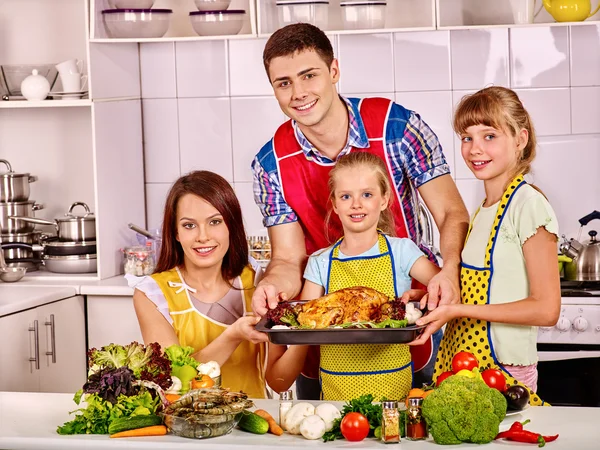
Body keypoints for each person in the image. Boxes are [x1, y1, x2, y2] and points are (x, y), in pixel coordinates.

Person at [251, 23, 469, 398]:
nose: (298, 93)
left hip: (412, 327)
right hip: (326, 341)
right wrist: (272, 285)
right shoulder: (270, 164)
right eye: (283, 82)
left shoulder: (398, 127)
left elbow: (451, 212)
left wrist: (448, 271)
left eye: (309, 75)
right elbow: (289, 258)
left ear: (334, 71)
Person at [411, 87, 561, 405]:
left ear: (520, 139)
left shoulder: (528, 205)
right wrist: (433, 300)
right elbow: (488, 289)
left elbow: (547, 310)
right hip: (467, 365)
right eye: (467, 137)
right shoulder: (483, 209)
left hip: (505, 369)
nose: (475, 149)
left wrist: (459, 310)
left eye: (489, 136)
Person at [270, 152, 442, 400]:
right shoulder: (320, 262)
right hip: (335, 399)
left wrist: (425, 297)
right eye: (346, 196)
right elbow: (304, 324)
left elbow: (444, 290)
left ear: (384, 200)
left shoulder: (402, 251)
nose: (356, 204)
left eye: (367, 194)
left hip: (393, 398)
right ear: (335, 204)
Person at [128, 171, 305, 398]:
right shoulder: (152, 294)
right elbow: (175, 381)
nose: (203, 236)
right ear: (176, 233)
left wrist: (307, 335)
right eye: (189, 225)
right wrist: (233, 336)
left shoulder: (257, 282)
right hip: (189, 427)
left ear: (231, 225)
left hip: (253, 423)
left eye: (214, 222)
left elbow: (278, 383)